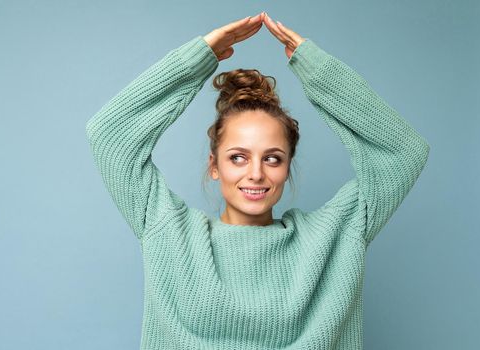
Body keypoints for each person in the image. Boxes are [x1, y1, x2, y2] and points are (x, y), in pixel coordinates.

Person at [86, 11, 429, 350]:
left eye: (272, 158)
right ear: (214, 165)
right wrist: (198, 60)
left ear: (287, 166)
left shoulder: (333, 237)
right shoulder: (169, 232)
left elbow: (403, 154)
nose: (255, 173)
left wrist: (320, 73)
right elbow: (109, 135)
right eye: (238, 157)